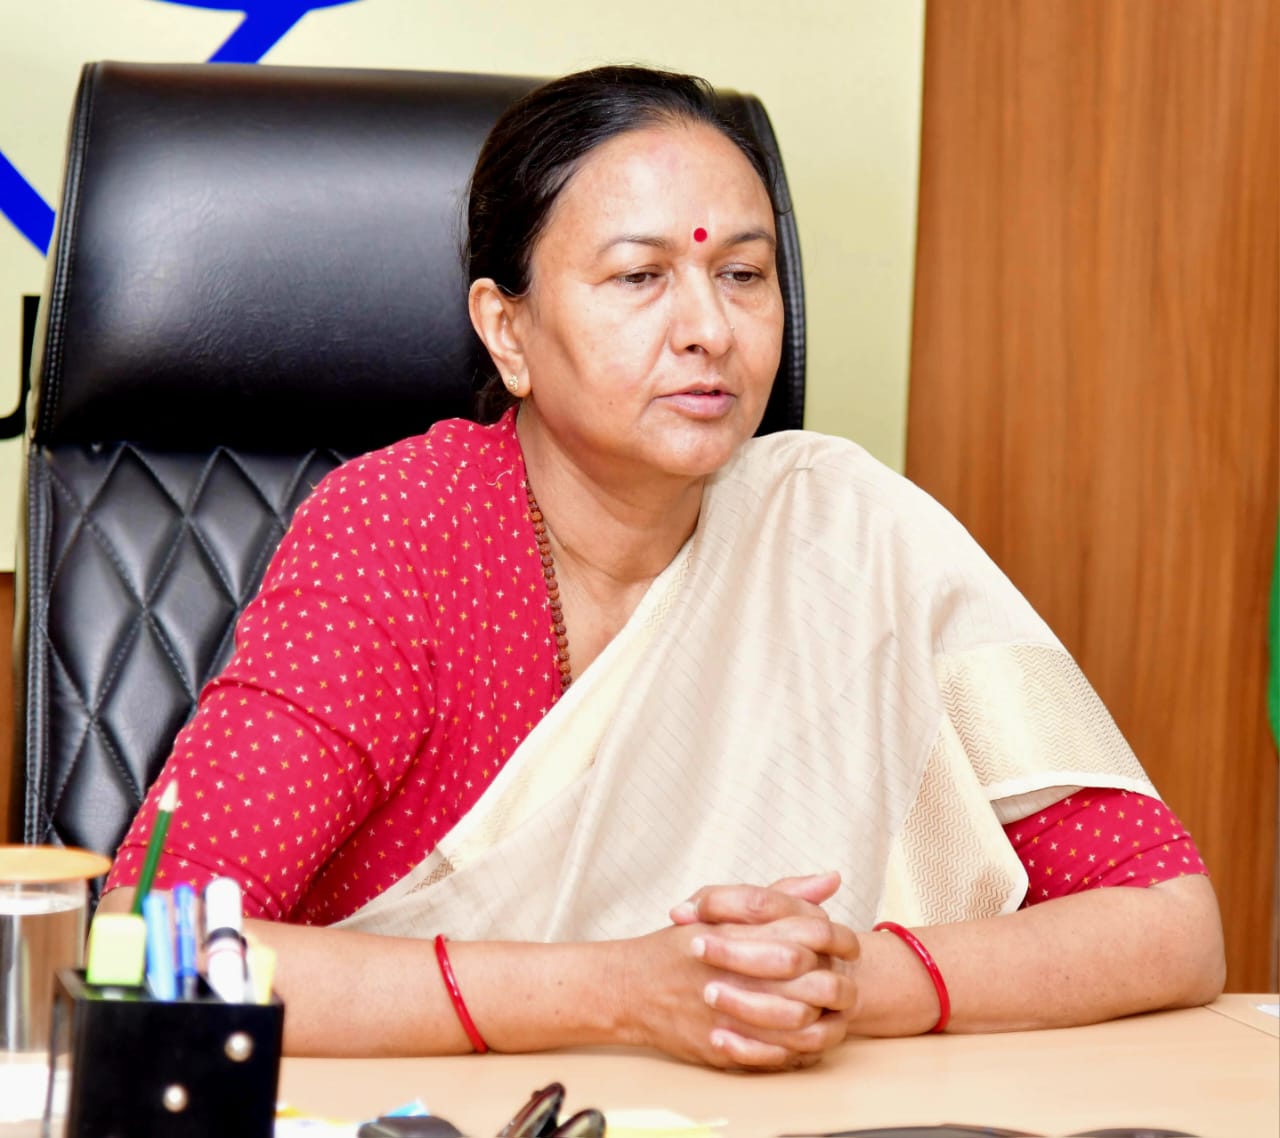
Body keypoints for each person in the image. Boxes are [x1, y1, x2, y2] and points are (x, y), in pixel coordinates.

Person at [98, 64, 1224, 1070]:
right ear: (507, 331)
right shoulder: (404, 536)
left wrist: (843, 980)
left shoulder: (845, 531)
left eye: (743, 274)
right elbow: (153, 946)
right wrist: (624, 992)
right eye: (640, 277)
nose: (709, 329)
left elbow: (1169, 922)